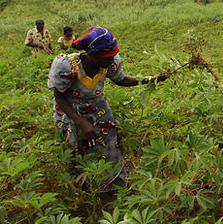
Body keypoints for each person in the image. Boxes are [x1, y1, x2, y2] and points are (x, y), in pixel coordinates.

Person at [47, 27, 168, 190]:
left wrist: (151, 79)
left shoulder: (110, 61)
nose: (112, 61)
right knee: (76, 151)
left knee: (110, 145)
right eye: (107, 58)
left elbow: (122, 80)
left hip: (98, 108)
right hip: (70, 112)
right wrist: (82, 122)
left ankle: (116, 187)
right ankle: (84, 190)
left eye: (112, 57)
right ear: (93, 55)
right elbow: (59, 98)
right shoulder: (66, 66)